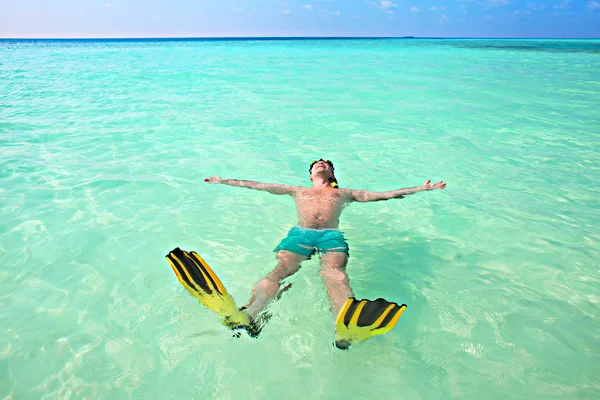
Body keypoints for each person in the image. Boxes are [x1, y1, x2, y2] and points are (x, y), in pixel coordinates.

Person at [166, 159, 446, 349]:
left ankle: (343, 325)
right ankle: (249, 313)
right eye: (316, 164)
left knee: (334, 274)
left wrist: (420, 189)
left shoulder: (345, 193)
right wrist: (224, 180)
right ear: (311, 175)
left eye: (326, 164)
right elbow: (259, 185)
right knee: (278, 272)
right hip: (300, 235)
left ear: (332, 175)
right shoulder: (298, 191)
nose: (321, 165)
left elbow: (384, 195)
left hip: (331, 237)